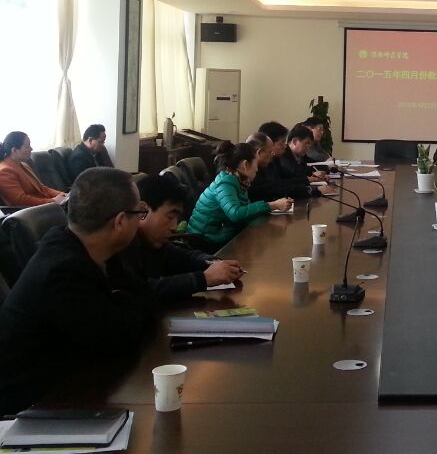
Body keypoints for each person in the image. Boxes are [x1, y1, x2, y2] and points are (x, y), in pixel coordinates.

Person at [0, 168, 153, 415]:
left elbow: (130, 307)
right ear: (120, 222)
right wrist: (129, 297)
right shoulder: (62, 271)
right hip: (31, 409)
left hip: (70, 382)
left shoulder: (72, 244)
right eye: (139, 213)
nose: (141, 221)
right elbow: (119, 336)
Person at [108, 174, 242, 302]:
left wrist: (214, 263)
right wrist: (204, 279)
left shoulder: (152, 242)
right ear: (143, 210)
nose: (174, 226)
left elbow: (184, 257)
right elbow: (140, 291)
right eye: (170, 217)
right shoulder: (121, 245)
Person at [187, 141, 292, 249]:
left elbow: (245, 211)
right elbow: (235, 213)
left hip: (217, 234)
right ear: (245, 164)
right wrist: (272, 205)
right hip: (204, 240)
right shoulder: (225, 183)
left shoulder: (239, 181)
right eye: (255, 164)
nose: (257, 169)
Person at [0, 131, 66, 206]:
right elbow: (20, 200)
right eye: (27, 146)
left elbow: (41, 188)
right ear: (14, 150)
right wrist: (53, 201)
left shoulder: (24, 165)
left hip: (44, 206)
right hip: (31, 211)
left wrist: (63, 195)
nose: (31, 149)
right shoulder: (4, 171)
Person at [271, 124, 326, 198]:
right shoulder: (283, 156)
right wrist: (311, 189)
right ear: (294, 142)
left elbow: (303, 171)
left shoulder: (299, 155)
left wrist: (314, 176)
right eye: (307, 143)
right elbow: (284, 183)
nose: (284, 146)